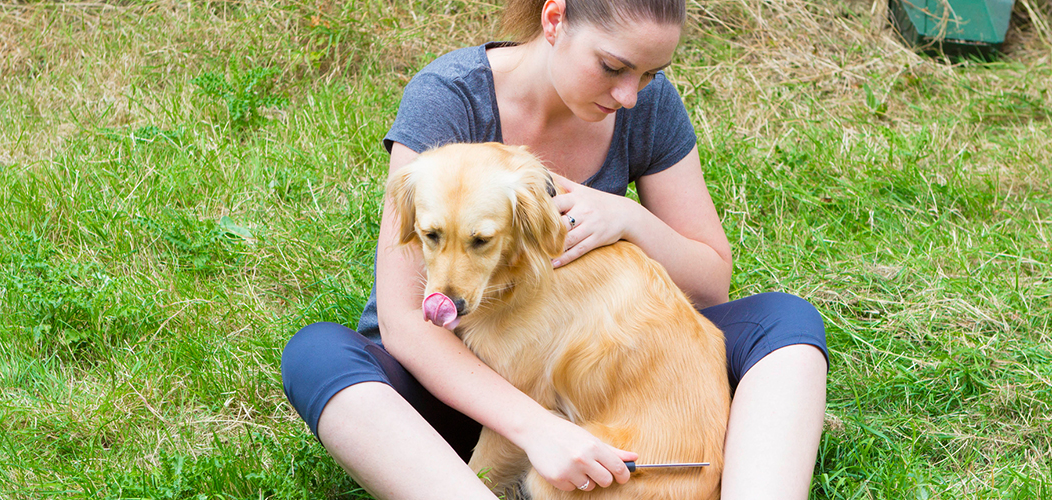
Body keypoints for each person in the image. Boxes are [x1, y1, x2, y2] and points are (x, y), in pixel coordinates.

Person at [280, 0, 829, 498]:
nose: (629, 95)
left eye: (650, 74)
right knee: (318, 355)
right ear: (554, 20)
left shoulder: (644, 102)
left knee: (784, 318)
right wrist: (538, 428)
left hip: (587, 385)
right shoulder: (449, 97)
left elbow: (710, 284)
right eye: (613, 67)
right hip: (440, 390)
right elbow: (404, 322)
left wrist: (629, 217)